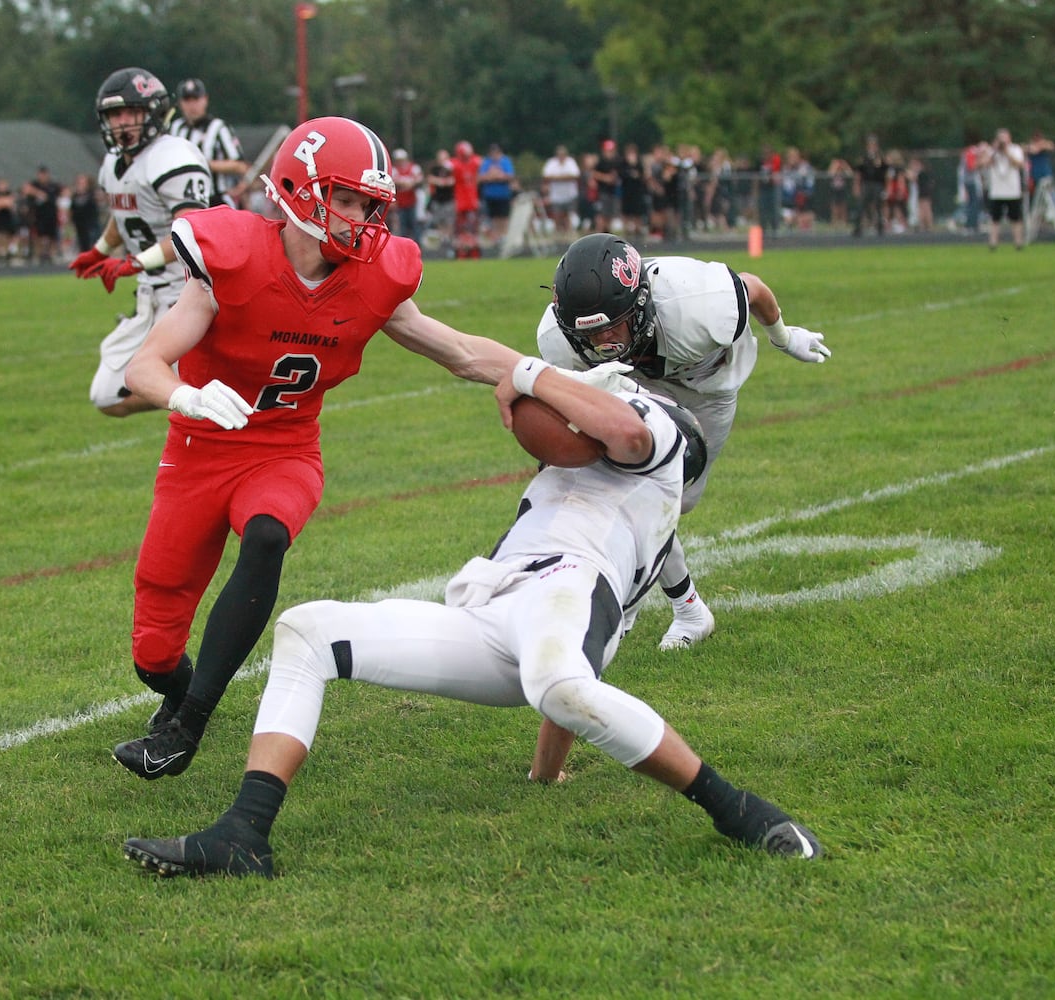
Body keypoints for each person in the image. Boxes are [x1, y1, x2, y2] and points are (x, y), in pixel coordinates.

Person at [121, 365, 822, 878]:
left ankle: (740, 811)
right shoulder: (579, 474)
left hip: (565, 590)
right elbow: (579, 676)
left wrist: (527, 372)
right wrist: (547, 773)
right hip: (496, 610)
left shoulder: (659, 449)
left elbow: (624, 434)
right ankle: (245, 832)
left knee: (557, 681)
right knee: (308, 629)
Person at [108, 116, 525, 782]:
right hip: (198, 449)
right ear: (301, 189)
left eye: (370, 204)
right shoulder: (235, 254)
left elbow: (463, 352)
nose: (363, 218)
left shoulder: (372, 278)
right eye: (349, 199)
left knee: (268, 535)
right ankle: (177, 692)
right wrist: (182, 397)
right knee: (153, 652)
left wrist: (545, 377)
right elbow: (145, 365)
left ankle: (188, 729)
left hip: (285, 449)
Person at [535, 233, 831, 650]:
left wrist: (783, 337)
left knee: (676, 500)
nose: (603, 344)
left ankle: (663, 603)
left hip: (708, 389)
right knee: (631, 487)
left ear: (639, 304)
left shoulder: (697, 301)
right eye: (592, 334)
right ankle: (682, 607)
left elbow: (756, 288)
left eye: (612, 327)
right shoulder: (559, 339)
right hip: (634, 383)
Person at [68, 67, 214, 417]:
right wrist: (99, 251)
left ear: (152, 112)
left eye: (127, 113)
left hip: (189, 291)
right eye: (113, 115)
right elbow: (123, 214)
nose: (119, 123)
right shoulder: (113, 163)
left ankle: (199, 398)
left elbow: (192, 231)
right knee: (107, 397)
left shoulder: (174, 155)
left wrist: (135, 262)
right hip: (150, 292)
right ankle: (193, 396)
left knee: (181, 378)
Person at [170, 78, 248, 209]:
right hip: (181, 200)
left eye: (196, 99)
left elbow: (240, 166)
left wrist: (203, 163)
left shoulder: (218, 128)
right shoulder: (175, 128)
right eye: (187, 100)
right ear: (180, 103)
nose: (192, 105)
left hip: (214, 200)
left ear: (205, 99)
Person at [981, 127, 1026, 250]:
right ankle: (993, 243)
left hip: (1012, 191)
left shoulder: (1015, 149)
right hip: (997, 191)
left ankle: (1018, 242)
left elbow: (1020, 164)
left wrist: (1006, 152)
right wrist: (994, 151)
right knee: (995, 219)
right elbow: (983, 164)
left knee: (1016, 218)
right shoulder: (992, 152)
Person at [21, 165, 62, 264]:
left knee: (51, 235)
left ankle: (50, 254)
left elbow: (49, 197)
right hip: (38, 215)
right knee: (39, 235)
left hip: (50, 214)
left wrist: (35, 192)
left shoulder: (52, 186)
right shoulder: (35, 184)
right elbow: (25, 189)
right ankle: (40, 254)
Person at [478, 143, 517, 244]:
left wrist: (496, 176)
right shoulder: (486, 162)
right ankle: (495, 238)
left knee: (503, 217)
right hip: (490, 196)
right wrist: (494, 176)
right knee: (493, 218)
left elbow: (509, 176)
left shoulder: (505, 161)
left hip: (503, 195)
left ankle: (503, 236)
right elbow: (482, 177)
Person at [450, 140, 483, 258]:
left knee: (472, 229)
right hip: (461, 201)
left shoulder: (475, 162)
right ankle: (462, 250)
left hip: (471, 200)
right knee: (461, 229)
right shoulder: (455, 164)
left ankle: (472, 250)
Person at [541, 144, 581, 237]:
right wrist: (565, 177)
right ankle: (558, 235)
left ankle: (570, 234)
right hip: (556, 196)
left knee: (569, 216)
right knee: (557, 216)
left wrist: (556, 178)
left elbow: (575, 175)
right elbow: (546, 176)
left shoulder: (570, 162)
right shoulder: (551, 163)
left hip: (570, 195)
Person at [424, 148, 456, 256]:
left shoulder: (451, 169)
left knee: (449, 222)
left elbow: (452, 181)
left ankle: (448, 241)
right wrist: (441, 182)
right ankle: (442, 241)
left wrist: (442, 182)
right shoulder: (435, 169)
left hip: (448, 200)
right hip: (438, 199)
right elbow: (430, 179)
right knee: (439, 221)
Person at [389, 148, 425, 243]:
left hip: (412, 202)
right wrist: (408, 183)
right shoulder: (394, 169)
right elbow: (394, 181)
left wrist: (409, 183)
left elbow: (419, 179)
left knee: (415, 226)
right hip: (400, 203)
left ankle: (417, 245)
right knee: (403, 227)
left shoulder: (413, 168)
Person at [853, 134, 885, 237]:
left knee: (878, 205)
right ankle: (858, 227)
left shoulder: (880, 157)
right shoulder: (863, 158)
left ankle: (880, 226)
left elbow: (884, 172)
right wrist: (856, 186)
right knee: (861, 205)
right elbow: (858, 172)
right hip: (866, 184)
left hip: (877, 184)